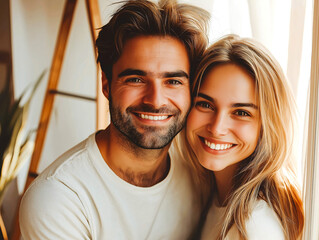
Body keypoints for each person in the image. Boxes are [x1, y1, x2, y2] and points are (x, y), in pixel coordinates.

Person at [19, 0, 209, 239]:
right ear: (106, 85)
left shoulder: (201, 168)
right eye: (136, 79)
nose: (156, 100)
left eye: (173, 81)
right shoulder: (59, 199)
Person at [178, 35, 304, 239]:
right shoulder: (211, 193)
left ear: (266, 126)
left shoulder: (254, 227)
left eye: (241, 113)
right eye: (205, 104)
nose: (217, 128)